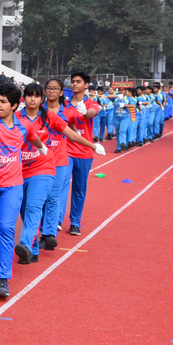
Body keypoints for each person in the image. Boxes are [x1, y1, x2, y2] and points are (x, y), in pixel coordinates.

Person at [14, 84, 103, 266]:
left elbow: (71, 134)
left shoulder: (50, 117)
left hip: (43, 167)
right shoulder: (15, 118)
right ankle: (34, 249)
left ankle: (30, 241)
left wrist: (93, 146)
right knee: (24, 209)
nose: (32, 99)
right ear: (24, 98)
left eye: (36, 96)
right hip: (21, 169)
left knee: (36, 206)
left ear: (41, 99)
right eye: (29, 95)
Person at [0, 84, 46, 299]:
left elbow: (33, 137)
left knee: (7, 228)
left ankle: (3, 278)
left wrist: (42, 148)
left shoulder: (23, 126)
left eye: (3, 101)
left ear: (15, 105)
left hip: (12, 186)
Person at [59, 72, 100, 236]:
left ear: (86, 85)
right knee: (61, 184)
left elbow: (91, 113)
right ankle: (56, 220)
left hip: (84, 152)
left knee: (79, 189)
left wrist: (84, 112)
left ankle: (75, 223)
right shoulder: (65, 104)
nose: (74, 84)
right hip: (67, 150)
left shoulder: (92, 103)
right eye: (72, 81)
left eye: (78, 81)